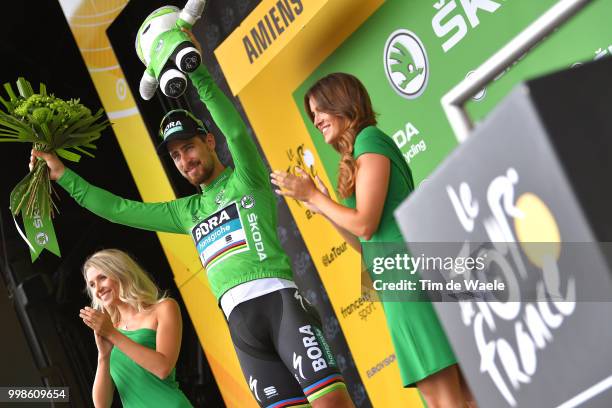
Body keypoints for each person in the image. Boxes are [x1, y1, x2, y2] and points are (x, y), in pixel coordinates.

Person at [31, 31, 354, 408]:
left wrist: (196, 72)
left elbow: (234, 129)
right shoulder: (185, 212)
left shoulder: (245, 178)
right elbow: (118, 209)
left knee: (333, 405)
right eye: (176, 156)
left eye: (189, 147)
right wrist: (63, 176)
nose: (185, 160)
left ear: (209, 143)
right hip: (240, 326)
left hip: (279, 303)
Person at [270, 73, 476, 408]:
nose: (317, 119)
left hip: (410, 278)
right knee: (459, 397)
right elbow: (364, 244)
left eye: (321, 109)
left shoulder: (370, 139)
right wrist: (322, 207)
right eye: (312, 114)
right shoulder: (356, 155)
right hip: (395, 280)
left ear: (344, 103)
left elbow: (366, 224)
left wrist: (316, 197)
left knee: (445, 399)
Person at [80, 248, 192, 408]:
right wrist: (103, 356)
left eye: (102, 278)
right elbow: (101, 404)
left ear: (121, 273)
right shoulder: (110, 330)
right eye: (92, 284)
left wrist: (112, 334)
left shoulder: (164, 308)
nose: (97, 289)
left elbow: (163, 368)